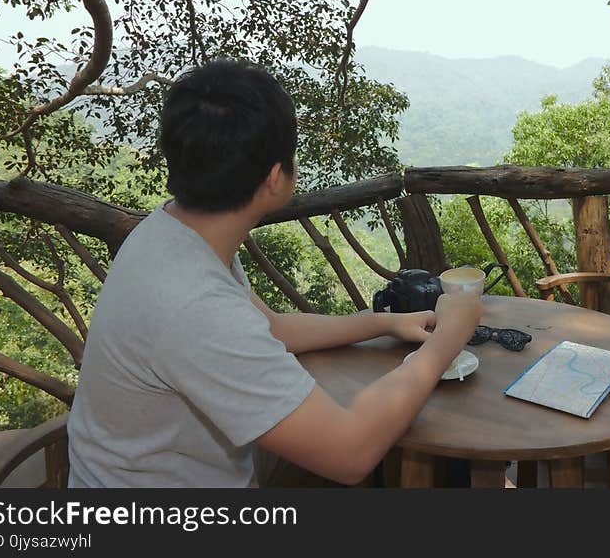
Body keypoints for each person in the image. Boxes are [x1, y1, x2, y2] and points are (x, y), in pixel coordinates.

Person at [66, 59, 482, 487]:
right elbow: (350, 452)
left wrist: (384, 323)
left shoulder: (177, 232)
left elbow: (271, 328)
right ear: (274, 177)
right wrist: (447, 341)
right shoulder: (194, 303)